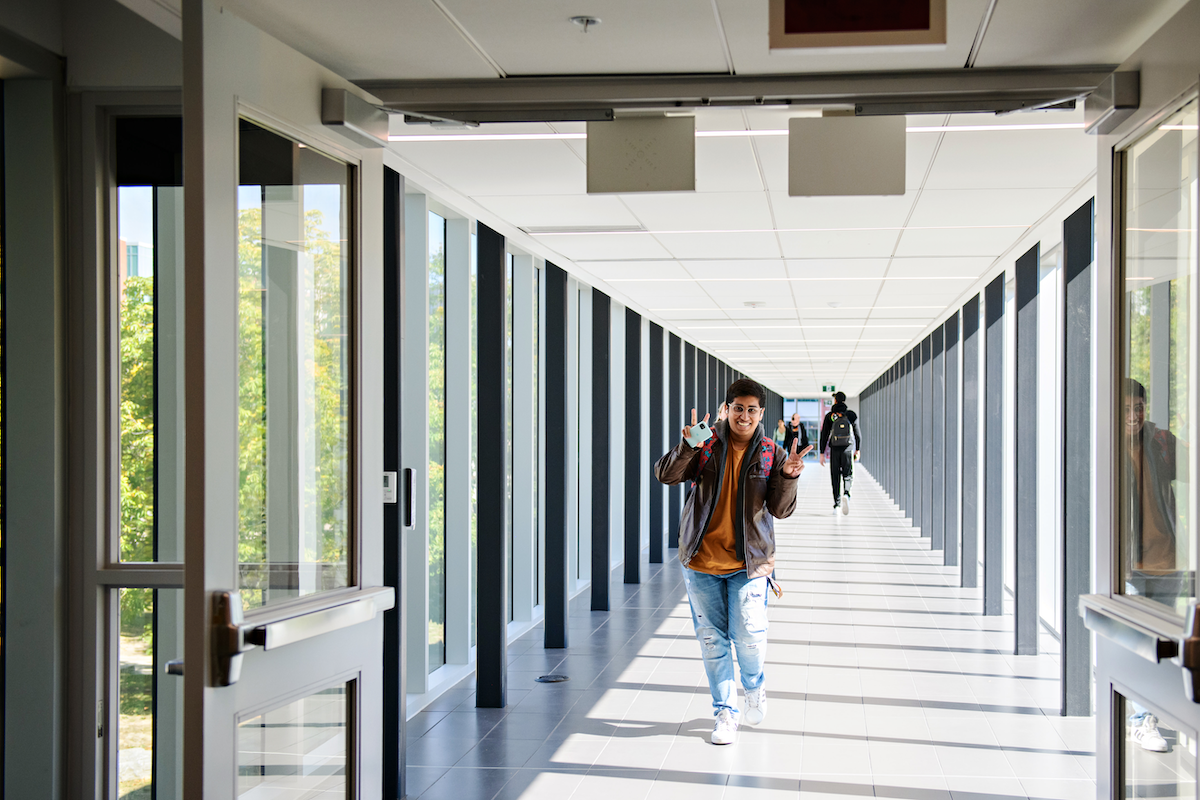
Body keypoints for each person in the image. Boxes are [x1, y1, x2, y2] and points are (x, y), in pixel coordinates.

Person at [655, 378, 808, 745]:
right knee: (713, 641)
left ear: (761, 413)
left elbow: (780, 511)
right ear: (728, 409)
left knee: (749, 636)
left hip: (750, 563)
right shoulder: (705, 443)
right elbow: (666, 475)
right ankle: (725, 712)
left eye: (752, 409)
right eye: (738, 408)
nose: (744, 415)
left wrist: (788, 477)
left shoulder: (771, 453)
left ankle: (754, 687)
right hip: (702, 560)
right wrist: (688, 444)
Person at [1123, 378, 1187, 752]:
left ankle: (1149, 713)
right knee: (1140, 645)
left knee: (1162, 647)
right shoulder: (1107, 443)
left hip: (1167, 561)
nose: (1134, 415)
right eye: (1127, 408)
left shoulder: (1161, 442)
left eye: (1139, 407)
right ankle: (1141, 720)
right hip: (1130, 566)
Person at [819, 391, 862, 515]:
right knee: (848, 474)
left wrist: (822, 453)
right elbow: (858, 434)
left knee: (835, 475)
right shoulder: (850, 415)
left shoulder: (831, 416)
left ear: (835, 400)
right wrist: (857, 449)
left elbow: (824, 434)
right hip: (848, 449)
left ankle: (836, 505)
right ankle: (847, 494)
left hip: (835, 449)